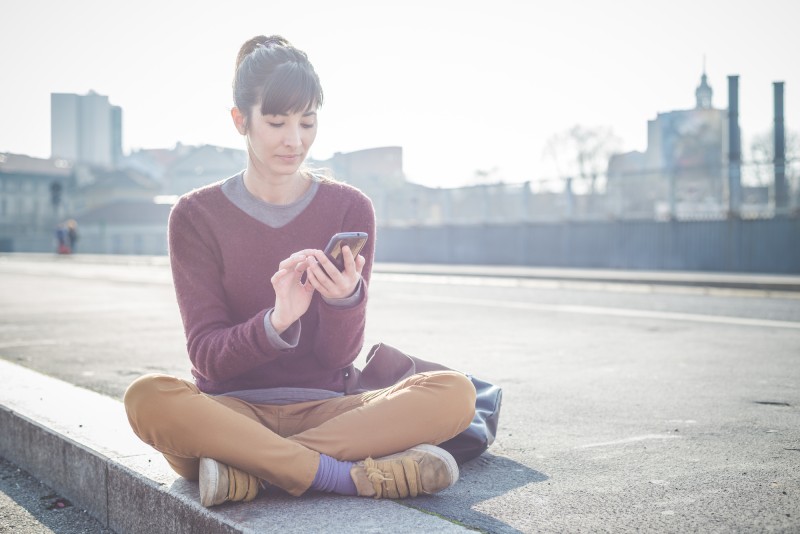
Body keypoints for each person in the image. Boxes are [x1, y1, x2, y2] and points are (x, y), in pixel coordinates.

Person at [123, 34, 476, 508]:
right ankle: (348, 477)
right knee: (148, 398)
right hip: (231, 413)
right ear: (239, 120)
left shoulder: (350, 207)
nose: (295, 140)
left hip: (330, 411)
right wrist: (277, 322)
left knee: (454, 393)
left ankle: (251, 471)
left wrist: (344, 301)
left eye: (307, 122)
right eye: (276, 122)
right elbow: (207, 357)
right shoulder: (195, 215)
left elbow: (338, 358)